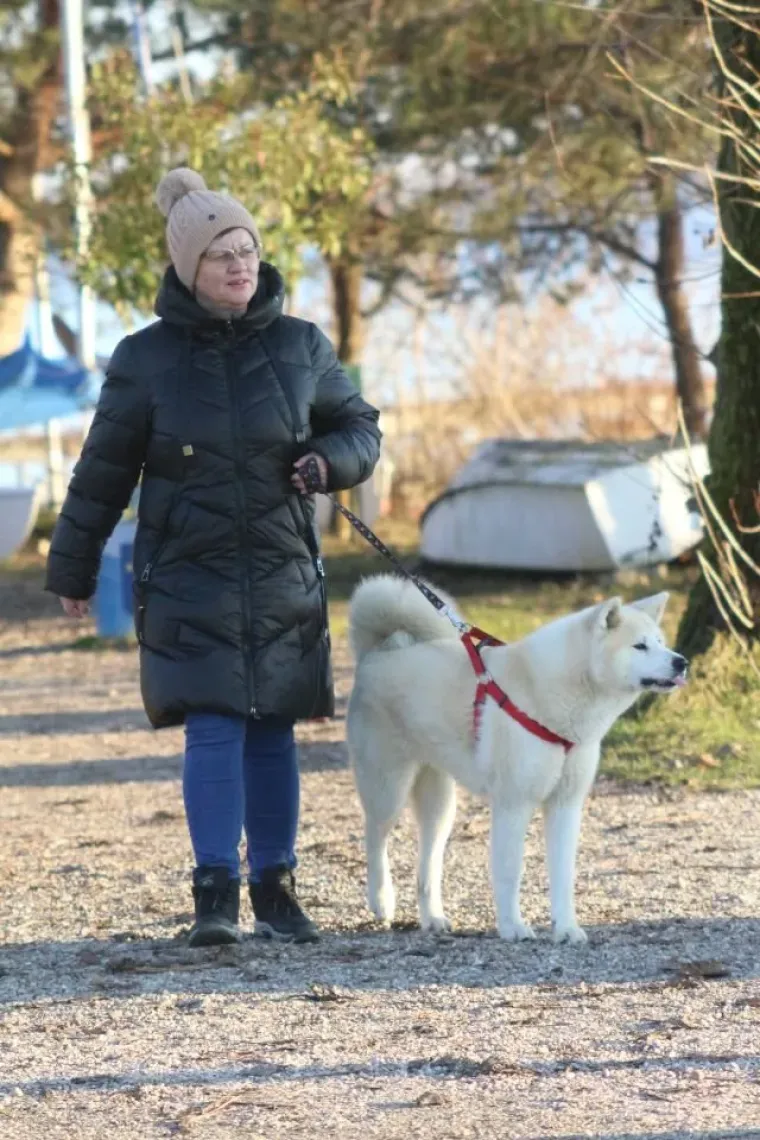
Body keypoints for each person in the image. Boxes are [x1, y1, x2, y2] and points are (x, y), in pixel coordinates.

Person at [45, 168, 381, 948]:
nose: (240, 265)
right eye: (221, 254)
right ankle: (214, 897)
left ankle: (277, 887)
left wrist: (330, 462)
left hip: (280, 569)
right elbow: (101, 472)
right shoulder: (144, 359)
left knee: (275, 730)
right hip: (187, 572)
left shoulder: (302, 346)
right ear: (189, 269)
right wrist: (72, 570)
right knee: (216, 727)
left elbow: (360, 427)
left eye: (248, 249)